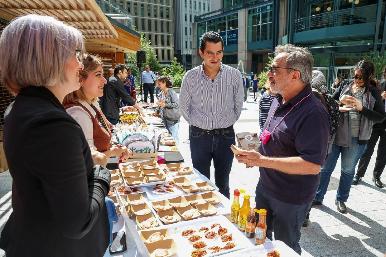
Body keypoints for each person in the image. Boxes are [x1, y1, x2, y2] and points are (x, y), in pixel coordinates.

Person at [0, 14, 110, 257]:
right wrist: (102, 175)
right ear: (50, 60)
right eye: (75, 55)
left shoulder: (23, 108)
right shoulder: (52, 124)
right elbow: (77, 222)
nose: (80, 66)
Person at [235, 44, 330, 254]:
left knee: (286, 247)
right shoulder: (279, 99)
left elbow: (313, 165)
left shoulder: (313, 112)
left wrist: (261, 160)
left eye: (275, 69)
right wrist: (253, 152)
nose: (269, 74)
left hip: (290, 197)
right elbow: (274, 137)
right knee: (260, 236)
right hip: (266, 187)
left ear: (295, 75)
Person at [313, 60, 385, 214]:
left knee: (347, 170)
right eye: (355, 76)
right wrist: (340, 101)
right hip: (337, 134)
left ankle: (341, 199)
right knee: (326, 168)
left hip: (356, 139)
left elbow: (380, 117)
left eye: (360, 77)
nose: (356, 80)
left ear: (368, 77)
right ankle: (318, 196)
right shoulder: (345, 84)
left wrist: (361, 108)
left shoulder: (373, 91)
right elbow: (328, 101)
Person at [179, 31, 244, 198]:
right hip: (199, 135)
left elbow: (238, 105)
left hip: (226, 135)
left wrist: (225, 121)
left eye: (219, 52)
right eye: (210, 52)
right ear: (201, 52)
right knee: (201, 182)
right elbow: (184, 107)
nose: (215, 57)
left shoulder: (234, 75)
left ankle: (225, 221)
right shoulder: (190, 77)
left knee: (223, 183)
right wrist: (199, 122)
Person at [63, 54, 131, 167]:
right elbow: (88, 160)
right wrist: (114, 152)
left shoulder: (91, 104)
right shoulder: (78, 114)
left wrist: (117, 148)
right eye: (98, 75)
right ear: (80, 79)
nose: (104, 81)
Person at [353, 66, 386, 188]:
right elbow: (373, 104)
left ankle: (377, 176)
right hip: (376, 123)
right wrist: (382, 98)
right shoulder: (380, 85)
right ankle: (359, 174)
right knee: (367, 150)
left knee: (383, 153)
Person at [156, 76, 181, 141]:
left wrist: (165, 105)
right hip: (165, 118)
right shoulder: (161, 93)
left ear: (164, 83)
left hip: (172, 119)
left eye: (159, 84)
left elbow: (176, 104)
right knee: (167, 138)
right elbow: (160, 104)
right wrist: (157, 111)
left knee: (173, 138)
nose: (158, 86)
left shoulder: (171, 92)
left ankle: (176, 151)